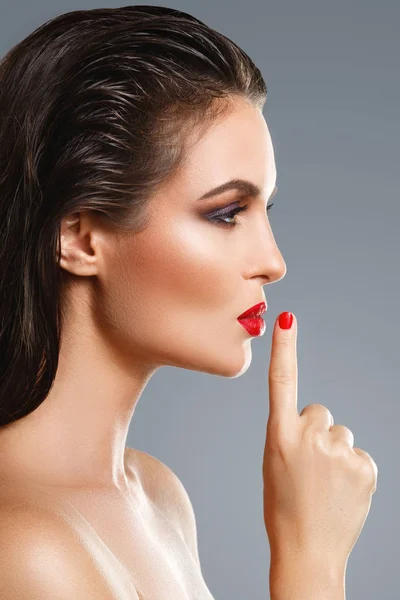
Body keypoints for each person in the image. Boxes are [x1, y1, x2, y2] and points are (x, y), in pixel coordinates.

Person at [0, 5, 377, 599]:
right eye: (226, 214)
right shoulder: (24, 549)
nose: (273, 263)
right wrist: (311, 558)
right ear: (79, 236)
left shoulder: (158, 497)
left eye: (263, 211)